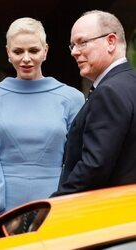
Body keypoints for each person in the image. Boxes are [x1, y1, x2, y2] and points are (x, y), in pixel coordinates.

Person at [0, 17, 85, 219]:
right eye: (18, 51)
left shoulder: (71, 98)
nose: (26, 58)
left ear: (45, 51)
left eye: (33, 50)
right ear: (8, 52)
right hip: (3, 208)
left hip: (58, 204)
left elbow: (79, 159)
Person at [51, 10, 136, 197]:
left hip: (107, 214)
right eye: (72, 45)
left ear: (111, 41)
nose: (74, 52)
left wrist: (53, 205)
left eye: (82, 42)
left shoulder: (109, 92)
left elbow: (94, 166)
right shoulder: (129, 83)